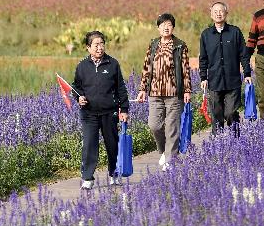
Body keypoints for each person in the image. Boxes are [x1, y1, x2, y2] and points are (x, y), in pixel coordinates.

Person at [72, 31, 130, 189]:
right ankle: (87, 178)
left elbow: (121, 89)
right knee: (89, 145)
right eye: (96, 44)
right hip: (89, 113)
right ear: (88, 48)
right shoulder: (82, 66)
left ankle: (114, 174)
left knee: (112, 144)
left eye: (102, 44)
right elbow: (76, 87)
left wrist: (124, 109)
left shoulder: (113, 64)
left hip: (109, 113)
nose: (100, 47)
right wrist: (79, 97)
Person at [135, 13, 192, 169]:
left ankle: (170, 160)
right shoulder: (153, 44)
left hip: (174, 93)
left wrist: (187, 90)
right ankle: (163, 151)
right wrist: (142, 89)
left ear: (173, 27)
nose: (166, 27)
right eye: (163, 25)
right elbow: (146, 67)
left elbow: (185, 69)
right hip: (155, 92)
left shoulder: (180, 45)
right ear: (158, 27)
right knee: (154, 125)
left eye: (169, 25)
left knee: (172, 128)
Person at [199, 1, 251, 137]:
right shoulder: (206, 35)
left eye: (221, 11)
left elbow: (243, 54)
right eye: (215, 11)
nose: (218, 14)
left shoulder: (235, 32)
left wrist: (247, 73)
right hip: (214, 81)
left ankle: (235, 139)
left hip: (232, 80)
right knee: (216, 114)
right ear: (211, 14)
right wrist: (203, 77)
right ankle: (218, 142)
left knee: (230, 113)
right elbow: (203, 58)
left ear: (226, 13)